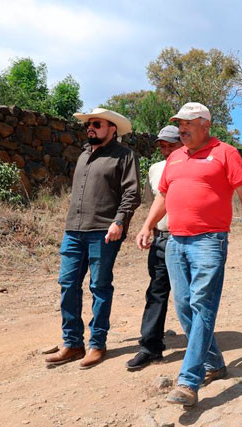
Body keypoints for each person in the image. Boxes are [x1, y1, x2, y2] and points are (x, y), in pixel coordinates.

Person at [136, 102, 242, 406]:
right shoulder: (175, 157)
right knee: (184, 307)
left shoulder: (225, 153)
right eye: (179, 123)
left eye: (188, 123)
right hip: (175, 243)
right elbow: (164, 195)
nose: (181, 128)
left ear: (205, 124)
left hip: (209, 241)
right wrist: (147, 225)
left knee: (202, 305)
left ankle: (189, 381)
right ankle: (214, 363)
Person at [45, 108, 140, 369]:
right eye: (88, 124)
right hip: (74, 231)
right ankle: (73, 343)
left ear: (112, 128)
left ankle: (97, 344)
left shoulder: (125, 156)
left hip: (104, 231)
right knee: (67, 284)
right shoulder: (84, 154)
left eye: (96, 124)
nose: (90, 128)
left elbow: (132, 193)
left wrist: (119, 222)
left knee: (99, 287)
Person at [126, 126, 183, 370]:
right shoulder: (155, 169)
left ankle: (202, 348)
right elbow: (154, 203)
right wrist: (148, 228)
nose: (166, 150)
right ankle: (150, 348)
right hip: (161, 238)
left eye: (171, 145)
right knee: (156, 292)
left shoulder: (192, 164)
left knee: (189, 295)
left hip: (186, 239)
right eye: (162, 145)